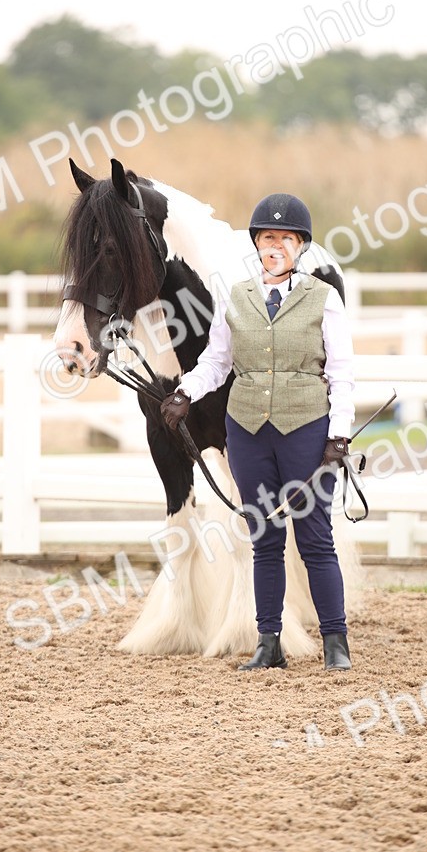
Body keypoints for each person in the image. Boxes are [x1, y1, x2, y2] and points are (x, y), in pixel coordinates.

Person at [160, 193, 356, 672]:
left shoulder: (324, 301)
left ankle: (336, 640)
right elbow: (217, 361)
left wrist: (340, 433)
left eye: (286, 239)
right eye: (268, 238)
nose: (276, 246)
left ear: (300, 246)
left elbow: (343, 372)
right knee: (263, 537)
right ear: (257, 244)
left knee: (314, 537)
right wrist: (185, 393)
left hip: (306, 431)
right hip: (247, 432)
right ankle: (268, 642)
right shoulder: (237, 297)